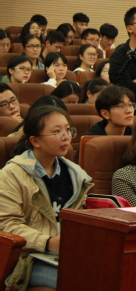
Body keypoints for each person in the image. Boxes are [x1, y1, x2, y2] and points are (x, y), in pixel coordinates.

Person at [0, 106, 92, 290]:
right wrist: (48, 242)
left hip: (66, 254)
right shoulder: (12, 174)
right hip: (27, 259)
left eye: (68, 130)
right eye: (57, 132)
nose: (66, 137)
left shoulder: (75, 174)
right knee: (78, 281)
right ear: (35, 140)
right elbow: (7, 226)